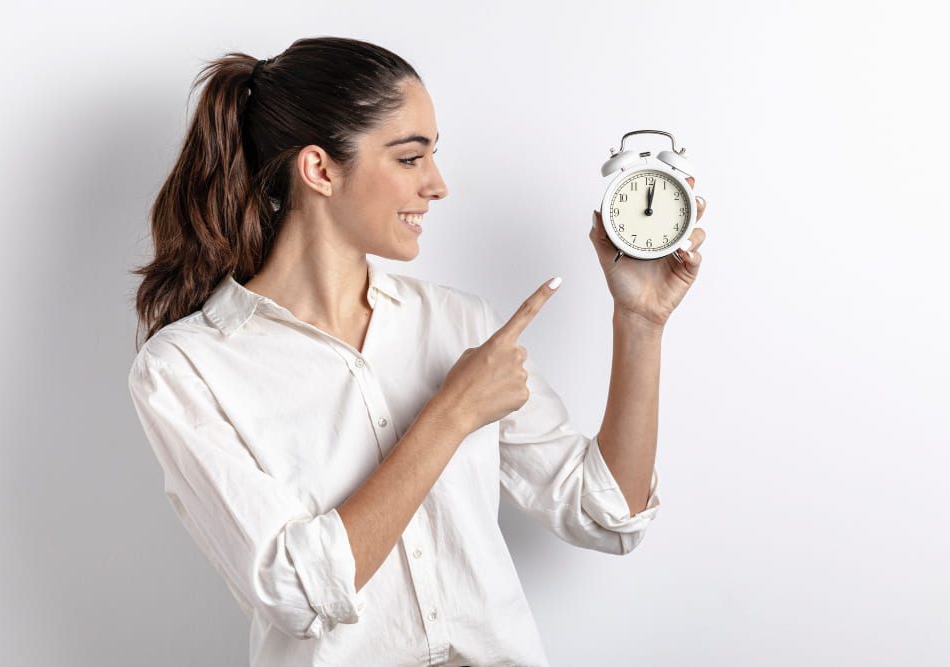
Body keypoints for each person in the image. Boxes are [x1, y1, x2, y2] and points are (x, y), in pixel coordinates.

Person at [127, 36, 706, 667]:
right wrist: (452, 413)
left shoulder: (459, 323)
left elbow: (607, 513)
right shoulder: (185, 369)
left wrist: (640, 320)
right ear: (320, 169)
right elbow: (297, 591)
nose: (438, 185)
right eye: (410, 159)